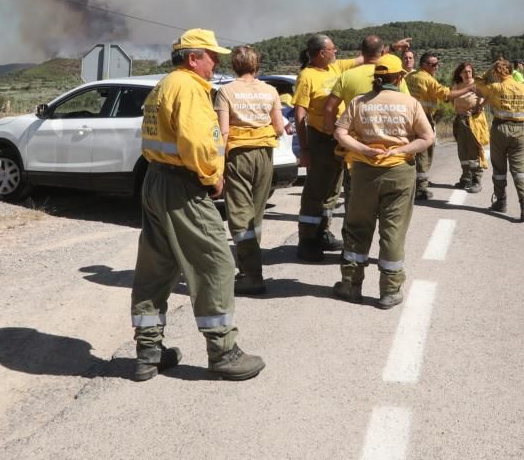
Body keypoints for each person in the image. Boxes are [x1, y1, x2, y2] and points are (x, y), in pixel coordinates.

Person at [130, 28, 265, 382]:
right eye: (211, 56)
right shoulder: (189, 87)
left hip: (156, 180)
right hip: (182, 186)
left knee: (156, 267)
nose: (216, 62)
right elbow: (197, 142)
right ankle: (223, 351)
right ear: (193, 58)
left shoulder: (164, 85)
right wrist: (211, 176)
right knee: (217, 264)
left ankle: (148, 352)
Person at [294, 34, 410, 260]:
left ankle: (322, 232)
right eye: (333, 49)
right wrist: (305, 150)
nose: (336, 52)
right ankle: (307, 241)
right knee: (315, 191)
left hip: (338, 138)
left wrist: (390, 49)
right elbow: (300, 114)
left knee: (332, 191)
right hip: (320, 138)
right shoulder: (307, 76)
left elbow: (364, 58)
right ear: (321, 53)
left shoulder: (335, 68)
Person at [332, 54, 434, 309]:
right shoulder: (410, 103)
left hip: (365, 171)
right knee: (393, 231)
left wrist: (364, 150)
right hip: (399, 171)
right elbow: (427, 137)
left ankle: (350, 285)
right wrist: (401, 150)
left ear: (376, 78)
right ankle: (389, 290)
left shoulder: (359, 103)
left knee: (357, 228)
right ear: (399, 77)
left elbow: (339, 131)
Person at [214, 46, 285, 296]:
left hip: (238, 155)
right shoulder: (270, 91)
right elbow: (278, 127)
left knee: (239, 216)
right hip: (265, 155)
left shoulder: (225, 91)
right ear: (256, 67)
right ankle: (249, 267)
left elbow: (222, 132)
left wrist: (217, 166)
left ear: (234, 66)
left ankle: (251, 274)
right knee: (255, 215)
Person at [452, 58, 524, 221]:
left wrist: (490, 71)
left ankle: (501, 202)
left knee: (499, 170)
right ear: (511, 71)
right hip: (519, 131)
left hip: (500, 129)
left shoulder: (495, 88)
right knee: (519, 170)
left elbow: (478, 84)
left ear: (497, 72)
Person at [404, 51, 450, 201]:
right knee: (424, 152)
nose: (437, 67)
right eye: (433, 64)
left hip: (408, 118)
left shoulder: (410, 77)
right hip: (423, 119)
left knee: (410, 150)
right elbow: (445, 95)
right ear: (424, 65)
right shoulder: (427, 80)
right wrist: (465, 89)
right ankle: (421, 188)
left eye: (437, 64)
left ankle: (410, 184)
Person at [448, 62, 488, 192]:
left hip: (473, 122)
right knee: (462, 151)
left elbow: (488, 96)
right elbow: (451, 99)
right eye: (464, 72)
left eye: (469, 71)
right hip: (460, 121)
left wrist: (480, 106)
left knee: (473, 151)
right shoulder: (457, 86)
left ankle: (476, 180)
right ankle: (466, 178)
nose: (467, 74)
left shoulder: (477, 85)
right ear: (460, 73)